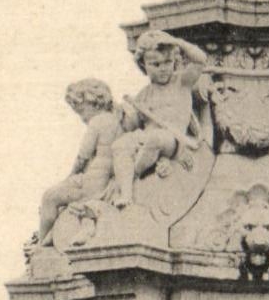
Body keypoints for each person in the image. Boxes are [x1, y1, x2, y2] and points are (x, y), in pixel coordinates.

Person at [111, 31, 209, 208]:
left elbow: (200, 60)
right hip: (146, 137)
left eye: (168, 62)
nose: (163, 68)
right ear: (143, 65)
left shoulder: (181, 82)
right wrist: (127, 114)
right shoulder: (144, 94)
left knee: (155, 139)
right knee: (120, 145)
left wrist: (177, 41)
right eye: (155, 64)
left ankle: (134, 176)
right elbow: (132, 126)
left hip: (172, 140)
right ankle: (126, 194)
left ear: (174, 61)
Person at [36, 79, 121, 245]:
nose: (82, 118)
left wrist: (71, 175)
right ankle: (50, 238)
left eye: (81, 111)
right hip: (106, 182)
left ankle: (41, 246)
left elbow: (83, 156)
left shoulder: (97, 122)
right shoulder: (117, 121)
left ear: (94, 103)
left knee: (49, 198)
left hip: (92, 182)